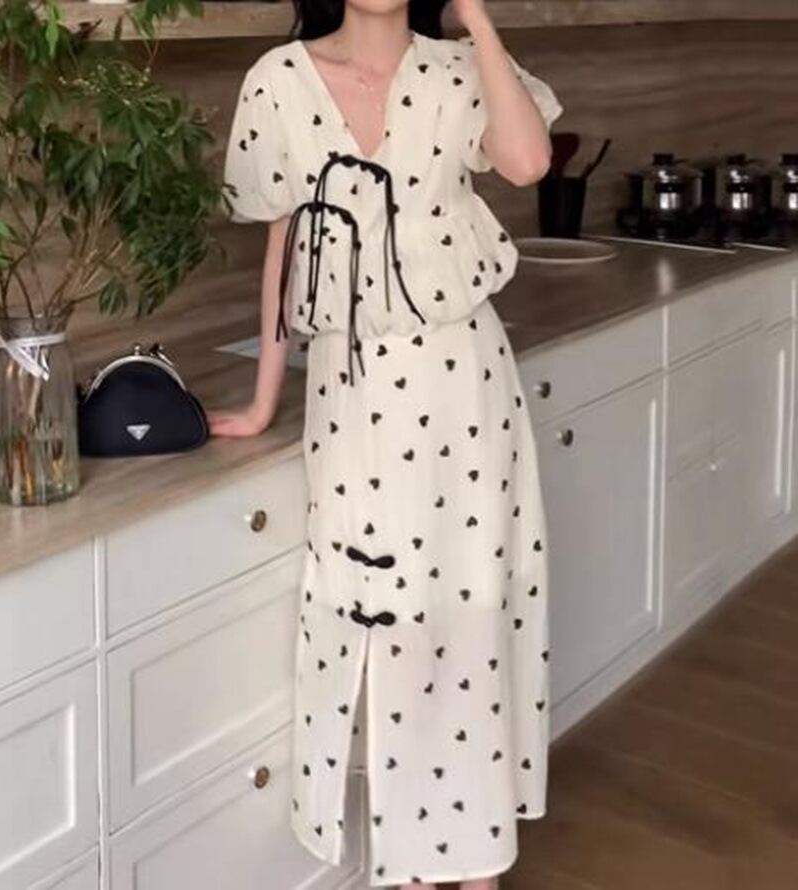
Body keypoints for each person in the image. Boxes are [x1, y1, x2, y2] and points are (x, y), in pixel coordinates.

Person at [210, 1, 563, 887]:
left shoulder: (456, 69)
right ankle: (411, 863)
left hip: (464, 386)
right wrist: (263, 400)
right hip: (351, 394)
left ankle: (476, 864)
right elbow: (285, 251)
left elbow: (528, 162)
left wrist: (476, 20)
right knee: (382, 619)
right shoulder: (278, 83)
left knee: (472, 612)